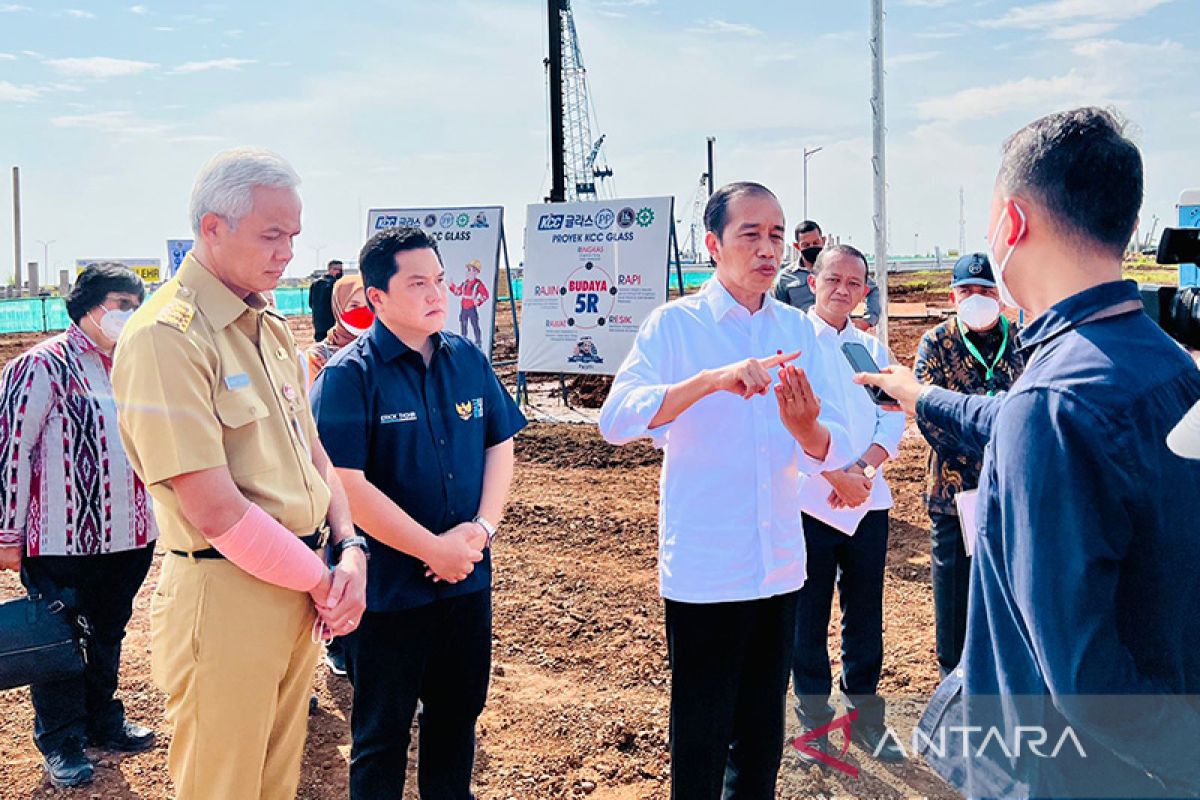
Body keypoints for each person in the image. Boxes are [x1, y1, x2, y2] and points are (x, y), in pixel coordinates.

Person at [857, 107, 1200, 797]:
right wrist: (920, 395)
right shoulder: (1169, 365)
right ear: (1128, 226)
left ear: (1010, 225)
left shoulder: (1054, 403)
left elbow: (1084, 681)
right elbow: (1010, 417)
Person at [111, 148, 368, 800]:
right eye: (271, 234)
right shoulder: (167, 337)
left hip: (297, 586)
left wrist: (351, 548)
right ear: (213, 229)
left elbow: (315, 456)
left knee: (274, 785)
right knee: (224, 788)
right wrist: (327, 583)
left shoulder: (267, 324)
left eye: (294, 235)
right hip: (228, 596)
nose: (287, 252)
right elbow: (215, 510)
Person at [599, 181, 853, 800]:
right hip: (708, 568)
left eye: (776, 235)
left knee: (762, 738)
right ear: (713, 244)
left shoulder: (798, 329)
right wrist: (709, 382)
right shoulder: (676, 326)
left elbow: (837, 445)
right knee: (702, 733)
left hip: (777, 565)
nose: (768, 249)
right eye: (751, 234)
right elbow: (617, 420)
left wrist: (807, 428)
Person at [311, 226, 525, 799]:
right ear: (377, 298)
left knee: (456, 722)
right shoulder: (348, 377)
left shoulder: (468, 360)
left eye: (440, 281)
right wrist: (433, 549)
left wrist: (479, 530)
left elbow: (499, 442)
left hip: (465, 583)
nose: (437, 295)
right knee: (381, 738)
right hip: (388, 595)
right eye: (418, 284)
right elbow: (344, 483)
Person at [0, 264, 158, 788]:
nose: (130, 315)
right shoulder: (39, 367)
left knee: (108, 633)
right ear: (87, 307)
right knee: (58, 641)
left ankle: (102, 721)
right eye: (121, 304)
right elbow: (10, 452)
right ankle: (62, 740)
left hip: (130, 534)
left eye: (138, 304)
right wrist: (7, 533)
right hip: (61, 539)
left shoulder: (138, 364)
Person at [788, 244, 907, 766]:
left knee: (865, 616)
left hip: (868, 500)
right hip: (809, 500)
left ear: (864, 291)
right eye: (832, 279)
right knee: (806, 618)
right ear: (812, 282)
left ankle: (866, 719)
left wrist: (862, 472)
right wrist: (832, 474)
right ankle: (815, 725)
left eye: (854, 283)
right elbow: (784, 420)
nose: (843, 289)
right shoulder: (792, 344)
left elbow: (893, 417)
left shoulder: (873, 350)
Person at [912, 253, 1023, 677]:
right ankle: (953, 682)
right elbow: (929, 413)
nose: (977, 298)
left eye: (986, 291)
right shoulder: (935, 341)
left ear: (1000, 295)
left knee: (1009, 588)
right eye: (968, 291)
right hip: (953, 493)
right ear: (953, 295)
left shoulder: (1022, 339)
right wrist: (991, 449)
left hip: (1011, 491)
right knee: (955, 596)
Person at [773, 220, 881, 330]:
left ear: (823, 241)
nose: (812, 247)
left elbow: (872, 289)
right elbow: (780, 312)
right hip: (801, 336)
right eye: (806, 245)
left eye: (816, 243)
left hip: (839, 333)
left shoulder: (842, 268)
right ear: (797, 246)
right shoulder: (786, 278)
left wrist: (868, 320)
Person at [303, 273, 371, 388]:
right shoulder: (318, 357)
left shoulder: (385, 350)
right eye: (354, 306)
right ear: (338, 306)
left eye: (369, 305)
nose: (363, 312)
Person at [447, 258, 490, 349]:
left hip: (471, 308)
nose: (467, 272)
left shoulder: (478, 284)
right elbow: (458, 292)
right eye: (468, 270)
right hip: (464, 308)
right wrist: (451, 286)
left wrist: (479, 301)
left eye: (470, 270)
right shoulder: (465, 283)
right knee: (463, 324)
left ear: (475, 272)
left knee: (475, 325)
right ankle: (464, 340)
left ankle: (478, 342)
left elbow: (485, 295)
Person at [309, 259, 344, 342]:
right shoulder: (336, 284)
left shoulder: (315, 284)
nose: (340, 272)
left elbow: (310, 303)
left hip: (318, 322)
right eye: (337, 269)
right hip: (332, 322)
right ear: (330, 269)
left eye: (341, 270)